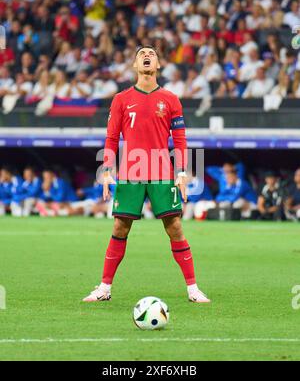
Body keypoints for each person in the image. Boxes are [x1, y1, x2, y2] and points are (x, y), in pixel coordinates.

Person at [83, 45, 210, 304]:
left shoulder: (172, 99)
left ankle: (193, 289)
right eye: (142, 54)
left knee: (174, 227)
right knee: (120, 226)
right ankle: (104, 288)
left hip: (162, 171)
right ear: (135, 65)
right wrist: (106, 170)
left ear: (159, 65)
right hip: (131, 171)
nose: (147, 56)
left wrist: (182, 172)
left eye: (152, 54)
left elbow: (180, 139)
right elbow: (111, 138)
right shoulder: (121, 99)